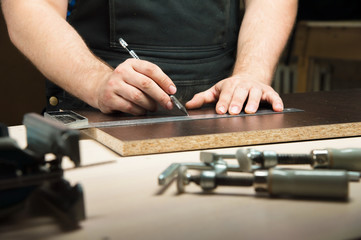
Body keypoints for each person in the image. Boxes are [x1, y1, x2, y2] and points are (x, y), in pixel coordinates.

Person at [1, 0, 297, 116]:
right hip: (98, 116)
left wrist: (251, 74)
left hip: (222, 114)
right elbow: (30, 6)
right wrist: (95, 80)